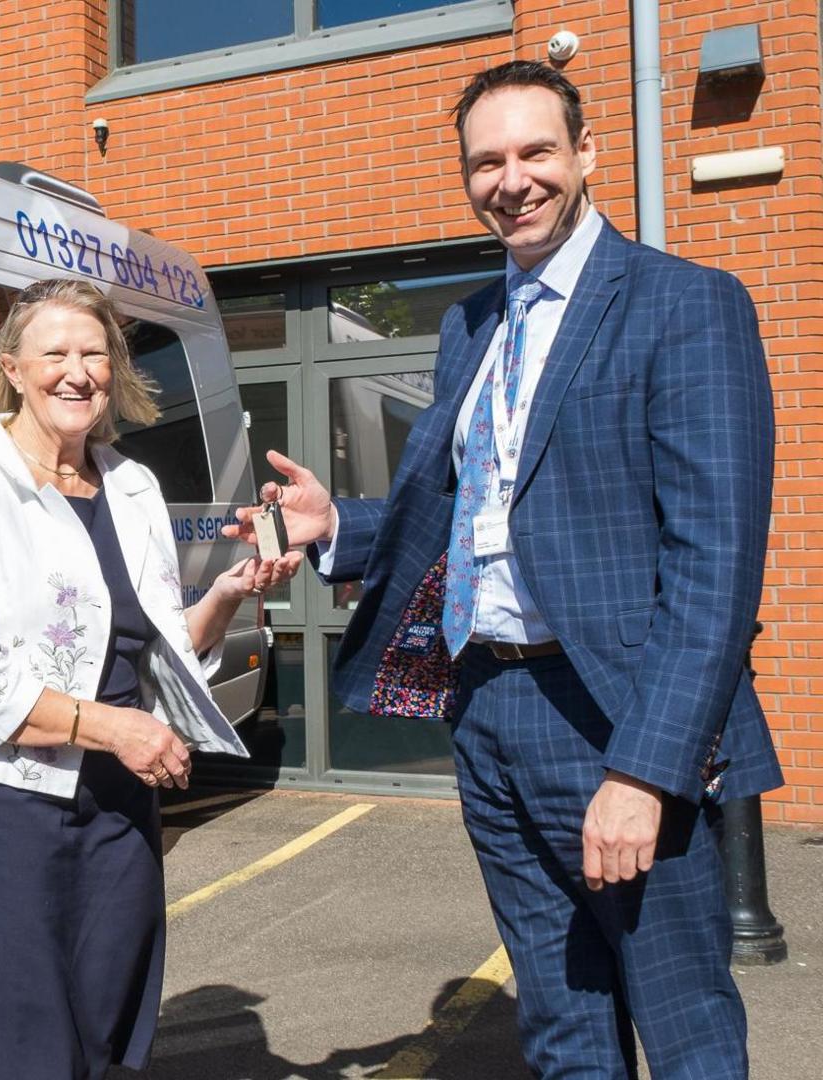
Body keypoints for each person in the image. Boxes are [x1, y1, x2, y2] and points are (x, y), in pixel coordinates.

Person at [228, 61, 779, 1078]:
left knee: (686, 1023)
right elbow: (475, 511)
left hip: (615, 713)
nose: (512, 180)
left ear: (586, 155)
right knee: (561, 1028)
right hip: (488, 711)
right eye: (487, 161)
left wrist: (643, 770)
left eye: (535, 152)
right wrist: (336, 527)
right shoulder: (470, 323)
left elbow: (716, 567)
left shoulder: (686, 304)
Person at [0, 277, 298, 1079]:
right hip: (1, 791)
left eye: (95, 353)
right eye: (55, 353)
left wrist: (223, 597)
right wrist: (114, 727)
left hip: (118, 789)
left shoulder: (132, 484)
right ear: (12, 368)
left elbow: (152, 652)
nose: (76, 371)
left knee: (113, 1014)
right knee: (26, 1028)